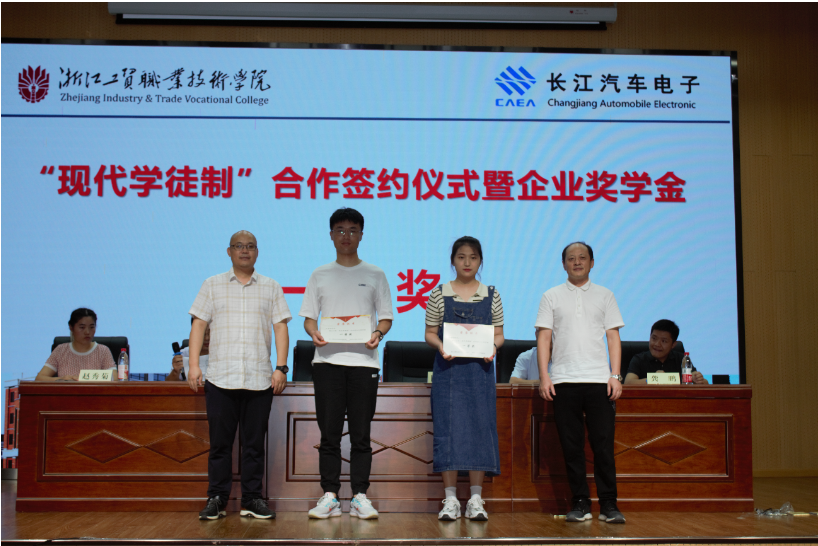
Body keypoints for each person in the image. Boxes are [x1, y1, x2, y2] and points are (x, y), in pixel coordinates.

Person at [188, 230, 291, 520]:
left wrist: (281, 367)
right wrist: (194, 365)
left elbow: (280, 327)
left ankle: (252, 499)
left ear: (257, 252)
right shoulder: (212, 284)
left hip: (259, 378)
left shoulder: (271, 286)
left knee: (254, 446)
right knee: (220, 446)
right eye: (238, 246)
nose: (244, 251)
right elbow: (199, 325)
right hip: (221, 377)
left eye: (250, 246)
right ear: (229, 251)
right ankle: (217, 499)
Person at [300, 208, 393, 520]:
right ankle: (329, 496)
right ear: (331, 235)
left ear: (361, 235)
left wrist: (378, 333)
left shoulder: (375, 274)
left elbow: (386, 317)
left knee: (360, 435)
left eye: (353, 230)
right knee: (329, 434)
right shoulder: (319, 274)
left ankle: (359, 496)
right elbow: (309, 318)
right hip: (327, 362)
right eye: (340, 230)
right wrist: (313, 332)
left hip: (364, 363)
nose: (346, 236)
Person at [535, 242, 626, 524]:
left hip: (599, 381)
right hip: (563, 380)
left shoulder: (605, 295)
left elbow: (613, 337)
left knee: (603, 446)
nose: (577, 262)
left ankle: (609, 505)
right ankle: (580, 503)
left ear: (592, 262)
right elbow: (544, 338)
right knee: (571, 447)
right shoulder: (551, 296)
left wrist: (615, 375)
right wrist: (544, 376)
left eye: (582, 258)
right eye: (571, 258)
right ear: (563, 264)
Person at [424, 236, 504, 522]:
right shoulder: (438, 293)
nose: (467, 262)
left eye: (473, 257)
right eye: (461, 257)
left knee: (480, 430)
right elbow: (429, 333)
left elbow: (499, 335)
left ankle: (475, 500)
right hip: (448, 373)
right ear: (453, 261)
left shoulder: (491, 294)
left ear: (480, 261)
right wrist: (441, 346)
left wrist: (492, 348)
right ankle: (450, 500)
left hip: (480, 373)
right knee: (447, 431)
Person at [36, 308, 115, 381]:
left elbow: (114, 378)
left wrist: (83, 378)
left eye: (91, 327)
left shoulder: (103, 351)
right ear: (71, 327)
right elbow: (39, 378)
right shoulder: (60, 350)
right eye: (82, 327)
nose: (87, 332)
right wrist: (62, 379)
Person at [624, 319, 708, 385]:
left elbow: (705, 383)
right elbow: (628, 383)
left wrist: (697, 379)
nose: (657, 344)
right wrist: (653, 379)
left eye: (664, 341)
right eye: (654, 338)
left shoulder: (681, 359)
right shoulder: (639, 359)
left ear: (673, 344)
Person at [166, 317, 211, 381]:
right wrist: (175, 372)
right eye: (202, 334)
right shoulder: (183, 354)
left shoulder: (223, 354)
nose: (207, 338)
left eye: (210, 333)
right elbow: (169, 384)